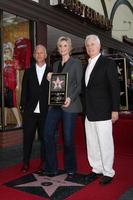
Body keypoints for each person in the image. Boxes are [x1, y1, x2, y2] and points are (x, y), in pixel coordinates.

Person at [42, 36, 83, 177]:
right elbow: (56, 85)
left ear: (69, 48)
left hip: (69, 106)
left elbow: (79, 86)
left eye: (65, 46)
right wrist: (49, 78)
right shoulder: (55, 65)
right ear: (58, 48)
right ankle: (51, 167)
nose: (62, 48)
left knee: (68, 138)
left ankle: (70, 167)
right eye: (60, 46)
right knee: (47, 134)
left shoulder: (76, 63)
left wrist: (70, 98)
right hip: (55, 105)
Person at [83, 34, 120, 185]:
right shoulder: (86, 65)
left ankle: (108, 172)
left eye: (93, 44)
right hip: (89, 112)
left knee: (105, 143)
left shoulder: (107, 63)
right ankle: (96, 168)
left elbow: (114, 88)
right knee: (92, 143)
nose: (90, 47)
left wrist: (115, 109)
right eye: (88, 45)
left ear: (99, 46)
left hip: (104, 111)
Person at [20, 44, 51, 173]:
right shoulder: (28, 71)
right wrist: (23, 108)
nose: (39, 55)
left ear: (45, 55)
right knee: (27, 138)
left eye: (41, 53)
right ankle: (25, 163)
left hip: (45, 111)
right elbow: (24, 91)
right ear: (34, 56)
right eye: (36, 53)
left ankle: (44, 163)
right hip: (30, 112)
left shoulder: (52, 71)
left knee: (45, 138)